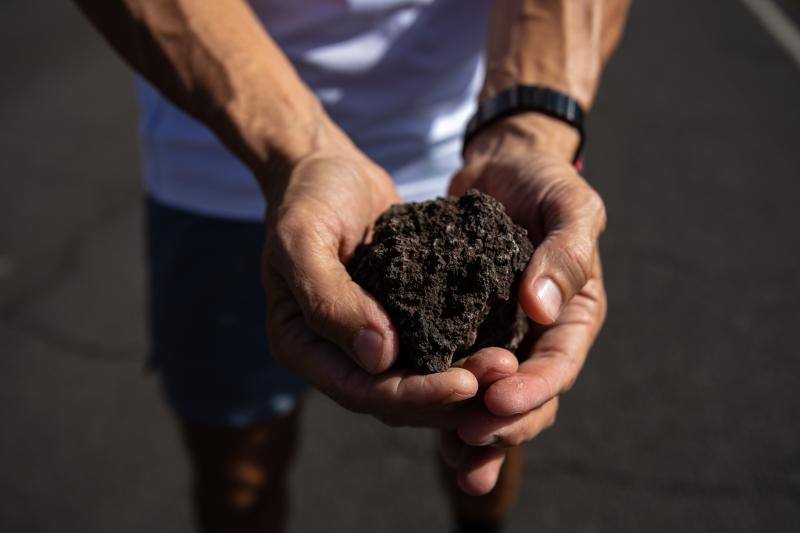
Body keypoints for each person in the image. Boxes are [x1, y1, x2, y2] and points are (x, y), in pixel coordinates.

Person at [72, 1, 630, 531]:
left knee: (491, 425)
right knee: (239, 468)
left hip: (472, 152)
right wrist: (300, 149)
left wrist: (531, 125)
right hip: (224, 155)